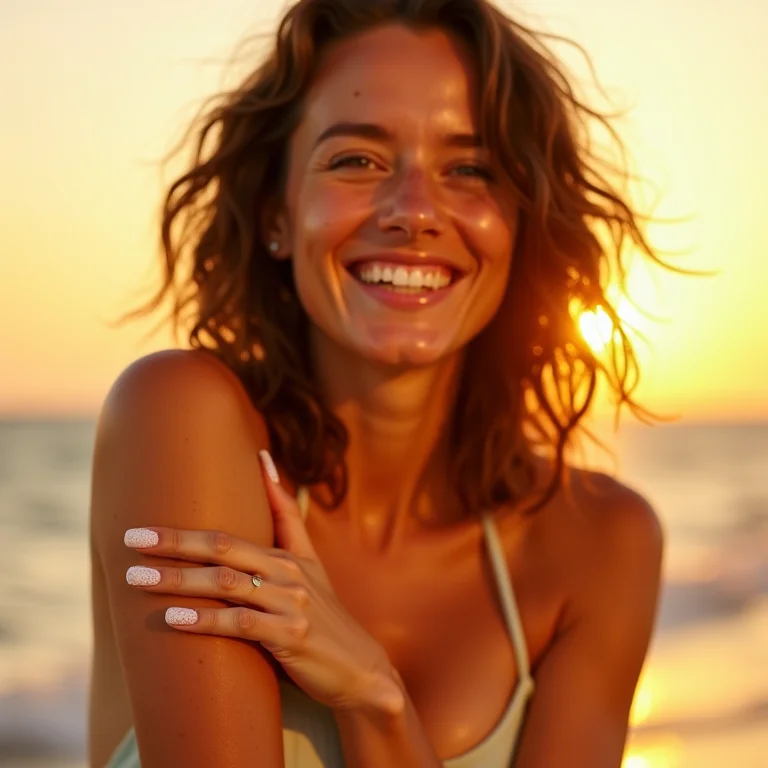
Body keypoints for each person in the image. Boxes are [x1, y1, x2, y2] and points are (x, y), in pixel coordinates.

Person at [88, 0, 665, 766]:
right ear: (276, 214)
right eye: (356, 160)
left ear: (521, 224)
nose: (414, 212)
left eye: (470, 169)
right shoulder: (179, 419)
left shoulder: (602, 543)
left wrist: (372, 697)